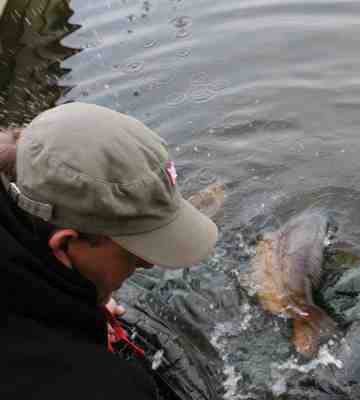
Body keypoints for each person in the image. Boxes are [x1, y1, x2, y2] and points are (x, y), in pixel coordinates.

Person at [0, 102, 218, 399]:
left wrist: (75, 304)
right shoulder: (97, 386)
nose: (148, 263)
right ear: (65, 245)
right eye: (133, 251)